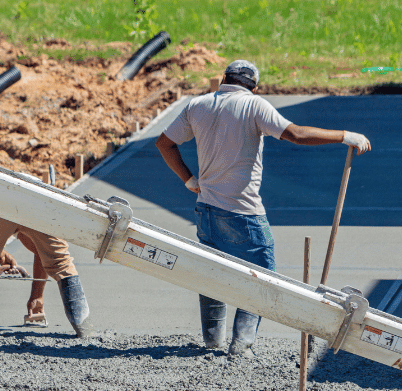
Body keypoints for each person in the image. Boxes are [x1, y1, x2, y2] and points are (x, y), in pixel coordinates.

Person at [155, 60, 371, 357]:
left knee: (212, 274)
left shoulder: (199, 105)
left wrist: (189, 180)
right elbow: (296, 134)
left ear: (223, 79)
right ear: (255, 87)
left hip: (205, 208)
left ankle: (212, 342)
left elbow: (164, 143)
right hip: (243, 212)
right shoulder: (254, 106)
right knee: (261, 277)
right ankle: (241, 346)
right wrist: (344, 135)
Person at [0, 201, 92, 337]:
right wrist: (37, 295)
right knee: (62, 263)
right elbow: (40, 250)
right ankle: (84, 328)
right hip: (37, 202)